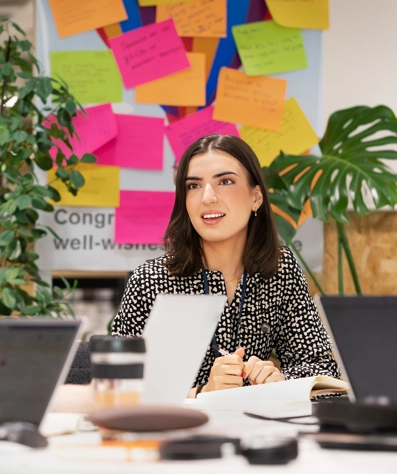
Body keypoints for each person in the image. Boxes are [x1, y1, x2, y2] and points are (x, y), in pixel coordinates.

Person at [111, 134, 340, 398]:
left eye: (225, 181)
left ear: (256, 197)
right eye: (194, 186)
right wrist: (201, 393)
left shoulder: (280, 269)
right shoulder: (151, 280)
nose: (207, 197)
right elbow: (115, 384)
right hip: (179, 432)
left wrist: (279, 380)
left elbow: (323, 368)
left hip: (256, 430)